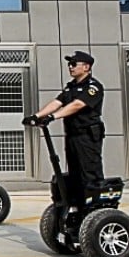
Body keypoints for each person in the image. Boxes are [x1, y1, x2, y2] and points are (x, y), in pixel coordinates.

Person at [25, 50, 105, 203]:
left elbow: (77, 105)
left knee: (89, 172)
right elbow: (57, 102)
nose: (70, 67)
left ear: (86, 67)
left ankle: (96, 207)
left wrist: (53, 117)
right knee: (74, 173)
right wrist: (37, 116)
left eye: (74, 64)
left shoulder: (93, 87)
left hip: (87, 137)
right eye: (69, 64)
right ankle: (78, 207)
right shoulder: (70, 87)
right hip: (72, 136)